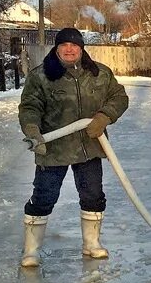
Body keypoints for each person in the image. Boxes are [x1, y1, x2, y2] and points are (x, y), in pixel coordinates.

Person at [18, 27, 129, 268]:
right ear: (57, 48)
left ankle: (92, 244)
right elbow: (30, 107)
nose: (69, 49)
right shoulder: (42, 76)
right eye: (64, 45)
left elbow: (119, 98)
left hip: (89, 147)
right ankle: (31, 251)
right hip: (53, 148)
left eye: (74, 45)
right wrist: (32, 131)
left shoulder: (99, 73)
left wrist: (103, 117)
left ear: (81, 48)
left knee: (93, 195)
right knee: (43, 197)